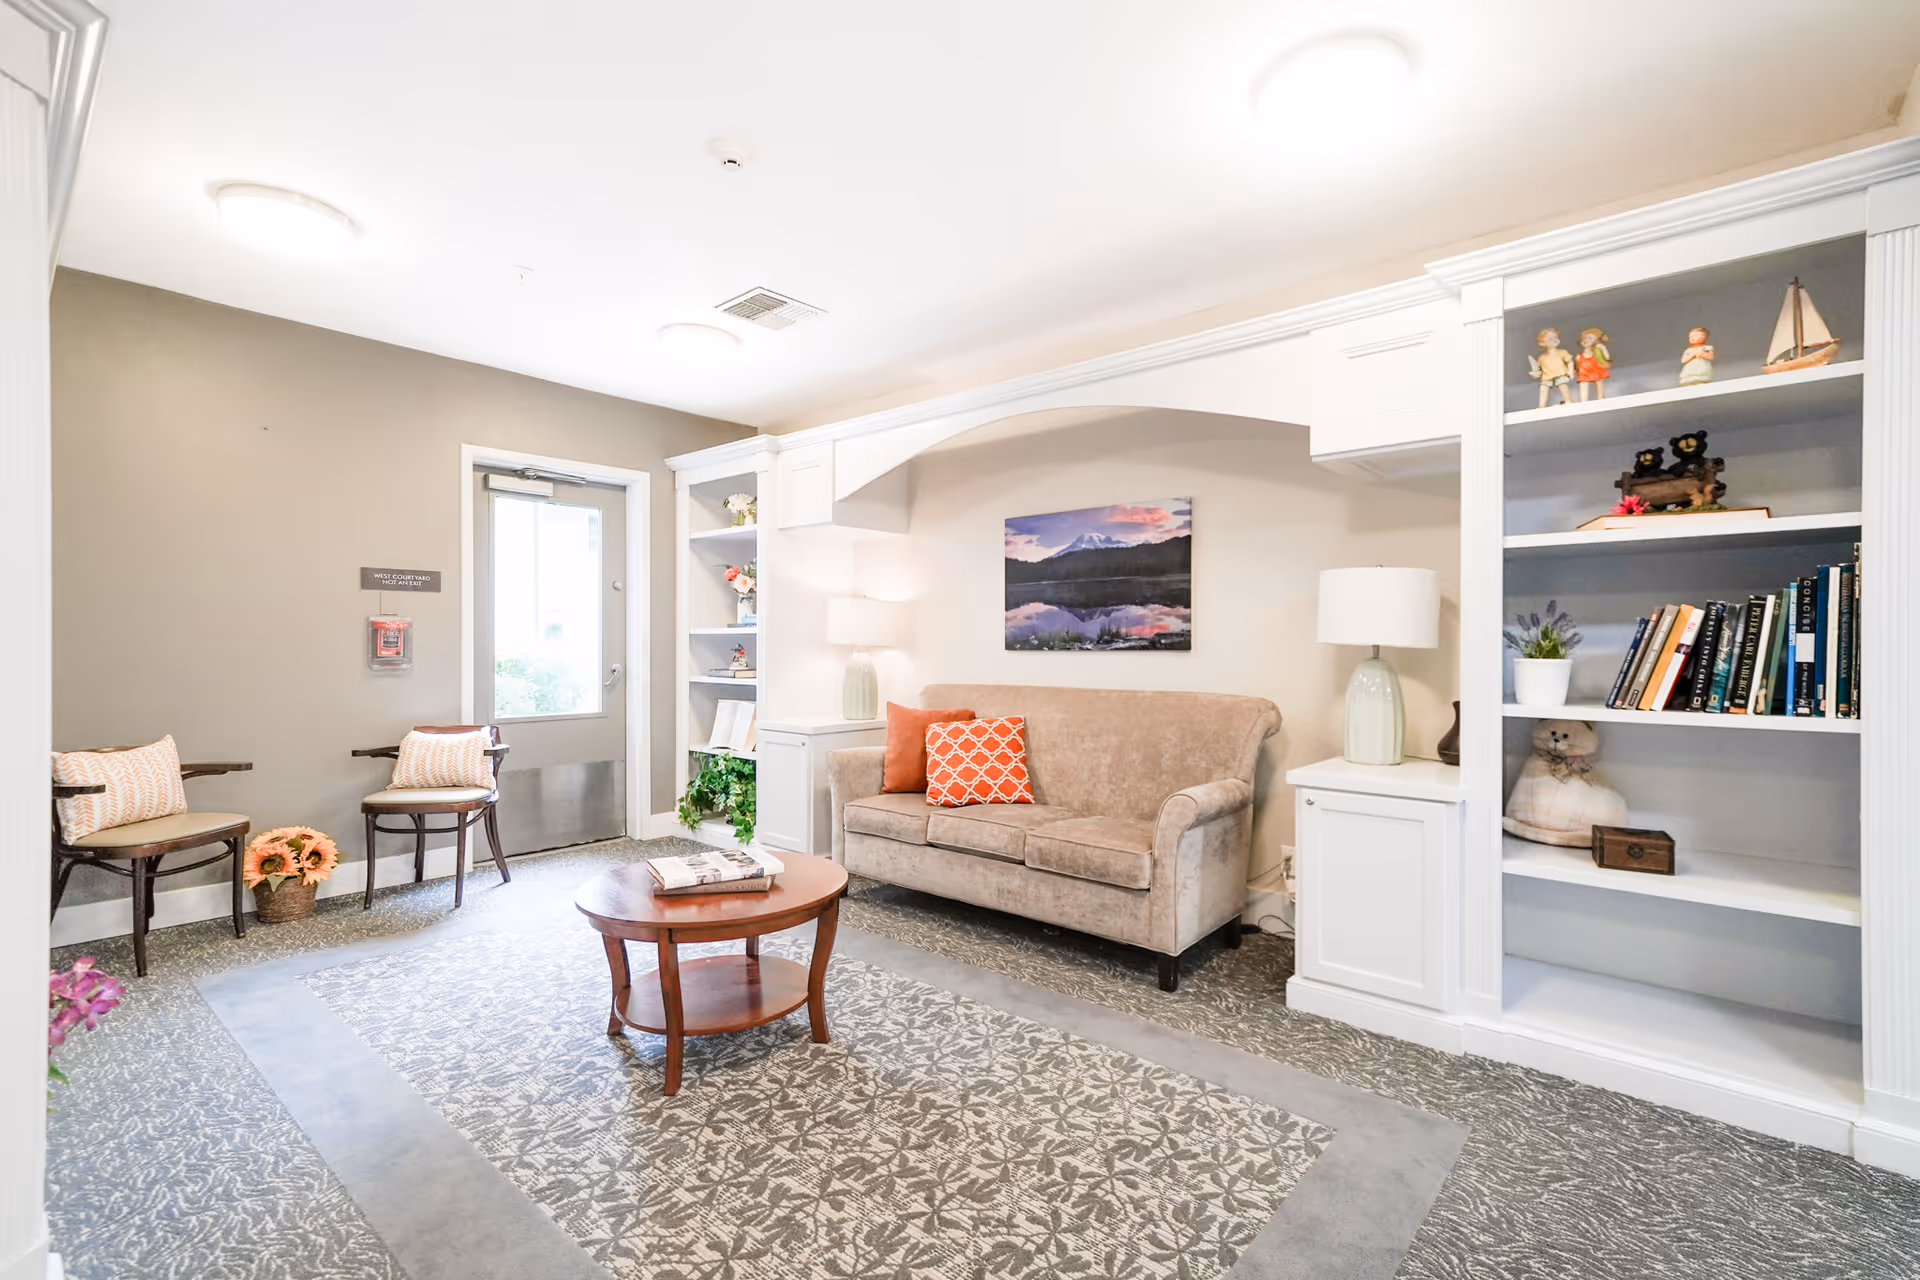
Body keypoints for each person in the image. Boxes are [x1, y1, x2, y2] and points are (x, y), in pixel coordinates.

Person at [1529, 327, 1576, 408]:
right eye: (1550, 339)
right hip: (1547, 376)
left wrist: (1570, 371)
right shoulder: (1541, 357)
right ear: (1542, 343)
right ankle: (1541, 405)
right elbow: (1539, 369)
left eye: (1556, 338)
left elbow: (1570, 361)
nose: (1554, 340)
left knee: (1562, 385)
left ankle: (1568, 400)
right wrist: (1536, 374)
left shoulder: (1562, 352)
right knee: (1543, 388)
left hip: (1560, 373)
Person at [1575, 327, 1612, 401]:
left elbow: (1607, 357)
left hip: (1595, 369)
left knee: (1599, 381)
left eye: (1589, 338)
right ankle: (1583, 400)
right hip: (1584, 372)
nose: (1586, 340)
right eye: (1584, 338)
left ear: (1596, 340)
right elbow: (1577, 367)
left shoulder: (1596, 353)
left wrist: (1602, 348)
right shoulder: (1579, 356)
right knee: (1583, 383)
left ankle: (1601, 397)